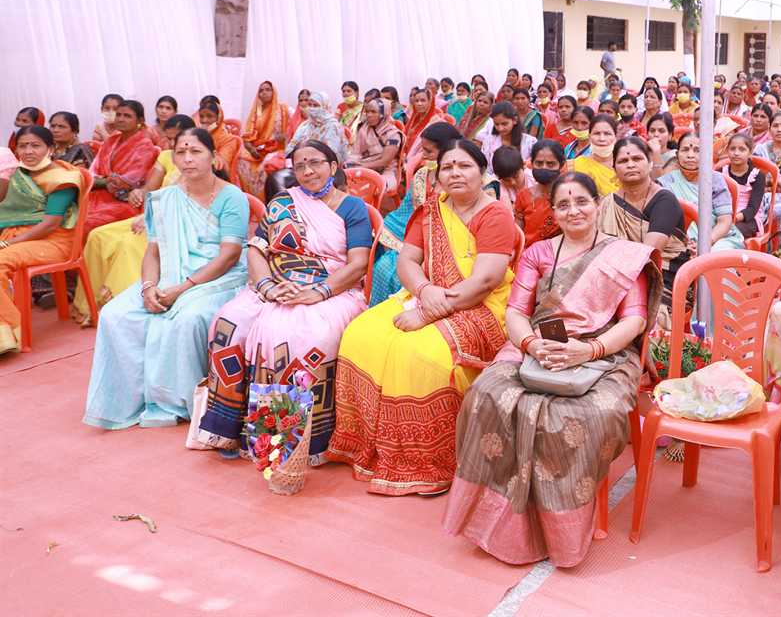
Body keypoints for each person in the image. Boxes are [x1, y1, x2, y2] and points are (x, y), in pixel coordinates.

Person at [444, 172, 661, 567]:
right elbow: (516, 312)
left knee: (580, 416)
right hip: (537, 344)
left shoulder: (623, 256)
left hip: (604, 353)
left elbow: (635, 321)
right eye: (563, 205)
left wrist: (588, 350)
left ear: (598, 204)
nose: (573, 211)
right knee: (486, 395)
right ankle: (494, 521)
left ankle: (561, 533)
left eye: (581, 202)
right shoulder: (539, 253)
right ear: (554, 212)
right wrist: (531, 344)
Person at [328, 140, 517, 496]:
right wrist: (424, 290)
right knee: (360, 334)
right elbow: (407, 261)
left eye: (464, 166)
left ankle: (426, 462)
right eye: (448, 167)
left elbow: (486, 280)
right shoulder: (432, 209)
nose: (455, 173)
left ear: (482, 173)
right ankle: (365, 446)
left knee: (419, 355)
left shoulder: (496, 214)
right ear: (438, 175)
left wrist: (429, 311)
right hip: (426, 294)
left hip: (480, 306)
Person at [198, 141, 371, 462]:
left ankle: (290, 439)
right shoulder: (282, 202)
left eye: (315, 163)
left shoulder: (352, 208)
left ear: (333, 167)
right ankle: (228, 428)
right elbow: (257, 249)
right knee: (227, 323)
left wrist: (318, 292)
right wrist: (266, 286)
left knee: (294, 335)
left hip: (333, 287)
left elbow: (358, 264)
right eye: (300, 166)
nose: (307, 171)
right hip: (275, 284)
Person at [83, 128, 249, 429]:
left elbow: (229, 255)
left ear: (213, 157)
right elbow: (153, 252)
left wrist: (182, 289)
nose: (187, 159)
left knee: (186, 319)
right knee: (115, 315)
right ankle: (128, 398)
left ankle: (178, 401)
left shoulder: (232, 197)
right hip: (169, 276)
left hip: (218, 277)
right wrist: (148, 287)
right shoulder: (164, 199)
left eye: (195, 151)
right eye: (181, 152)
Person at [71, 115, 195, 324]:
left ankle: (126, 309)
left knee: (127, 243)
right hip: (154, 215)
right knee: (97, 235)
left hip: (178, 221)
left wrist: (150, 217)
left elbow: (188, 198)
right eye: (169, 138)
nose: (173, 144)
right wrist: (140, 192)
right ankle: (90, 305)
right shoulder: (166, 156)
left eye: (178, 138)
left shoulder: (197, 159)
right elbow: (151, 187)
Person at [0, 126, 82, 354]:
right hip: (22, 237)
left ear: (50, 148)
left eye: (35, 145)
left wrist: (7, 243)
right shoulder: (20, 175)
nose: (28, 151)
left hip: (54, 242)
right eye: (23, 146)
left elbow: (50, 224)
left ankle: (8, 332)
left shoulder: (62, 178)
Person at [597, 136, 687, 327]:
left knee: (637, 316)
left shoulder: (665, 200)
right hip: (614, 275)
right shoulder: (608, 203)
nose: (630, 164)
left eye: (637, 159)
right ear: (614, 168)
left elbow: (648, 254)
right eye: (623, 161)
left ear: (650, 163)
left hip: (660, 278)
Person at [369, 122, 462, 306]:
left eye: (429, 151)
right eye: (423, 149)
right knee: (379, 254)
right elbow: (405, 213)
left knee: (390, 269)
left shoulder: (464, 179)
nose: (423, 155)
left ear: (447, 150)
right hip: (416, 232)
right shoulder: (423, 175)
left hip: (450, 242)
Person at [657, 133, 745, 253]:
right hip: (679, 242)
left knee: (713, 255)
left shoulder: (714, 180)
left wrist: (705, 243)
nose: (690, 155)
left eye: (697, 150)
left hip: (717, 239)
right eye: (685, 150)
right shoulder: (666, 182)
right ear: (677, 155)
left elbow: (724, 221)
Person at [84, 99, 160, 233]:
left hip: (126, 201)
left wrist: (103, 180)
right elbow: (92, 172)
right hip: (98, 195)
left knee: (88, 223)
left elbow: (127, 182)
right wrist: (103, 180)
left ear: (140, 120)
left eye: (127, 116)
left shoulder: (146, 146)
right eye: (118, 115)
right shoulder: (110, 141)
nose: (120, 119)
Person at [237, 80, 290, 198]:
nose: (264, 93)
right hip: (259, 150)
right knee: (240, 159)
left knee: (266, 165)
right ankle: (250, 197)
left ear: (273, 92)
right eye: (261, 90)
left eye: (268, 90)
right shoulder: (257, 111)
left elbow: (291, 131)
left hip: (278, 149)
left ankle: (264, 199)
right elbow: (247, 136)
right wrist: (251, 149)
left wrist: (283, 137)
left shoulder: (283, 109)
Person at [515, 139, 564, 249]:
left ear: (561, 165)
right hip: (528, 254)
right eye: (539, 163)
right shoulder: (523, 196)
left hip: (559, 254)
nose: (544, 168)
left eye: (550, 164)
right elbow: (518, 234)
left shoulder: (568, 196)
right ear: (532, 163)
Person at [347, 98, 404, 193]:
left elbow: (385, 161)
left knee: (369, 189)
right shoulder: (365, 129)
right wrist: (352, 162)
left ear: (383, 114)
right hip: (364, 165)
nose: (369, 115)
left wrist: (361, 166)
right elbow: (356, 152)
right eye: (367, 112)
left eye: (373, 112)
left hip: (387, 171)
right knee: (344, 178)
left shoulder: (393, 135)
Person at [724, 133, 768, 240]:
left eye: (742, 149)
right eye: (732, 149)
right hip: (724, 215)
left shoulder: (758, 176)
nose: (736, 153)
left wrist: (734, 218)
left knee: (729, 232)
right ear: (727, 151)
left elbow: (753, 209)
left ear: (750, 152)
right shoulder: (721, 172)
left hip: (747, 218)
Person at [285, 91, 348, 163]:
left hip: (324, 164)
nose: (312, 108)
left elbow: (331, 154)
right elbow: (291, 146)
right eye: (309, 105)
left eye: (315, 105)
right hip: (303, 161)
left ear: (324, 107)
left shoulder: (332, 126)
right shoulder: (305, 125)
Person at [570, 114, 619, 196]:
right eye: (597, 133)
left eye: (607, 134)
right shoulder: (576, 165)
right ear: (589, 136)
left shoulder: (624, 164)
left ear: (615, 137)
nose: (602, 139)